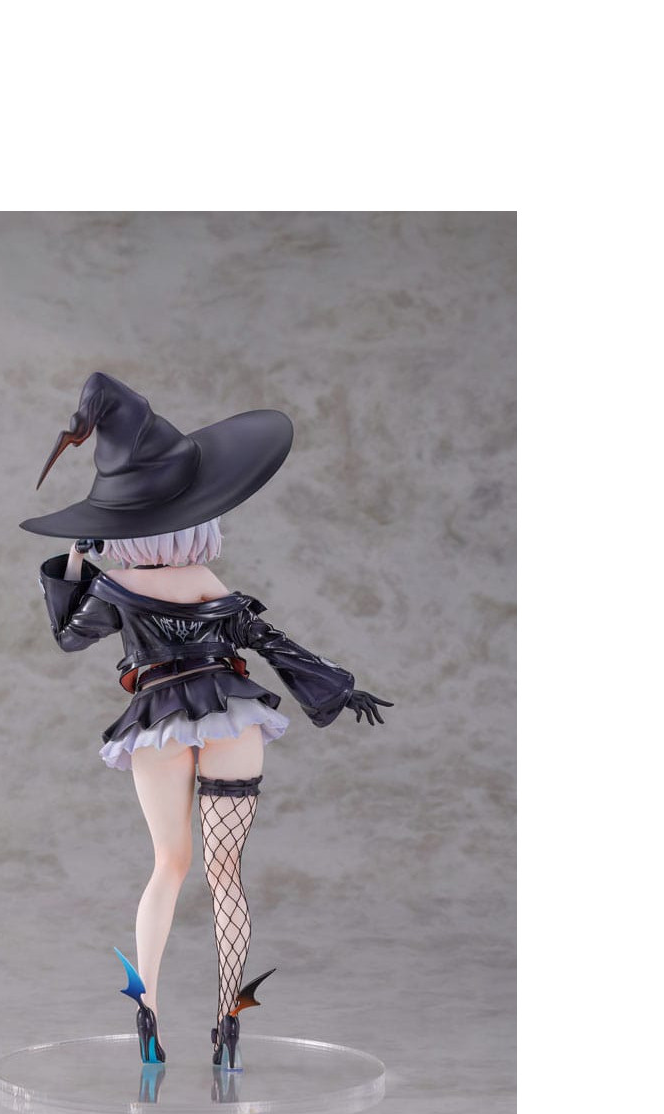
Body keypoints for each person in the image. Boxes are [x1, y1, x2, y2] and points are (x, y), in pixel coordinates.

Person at [20, 373, 393, 1069]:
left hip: (159, 719)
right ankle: (227, 1023)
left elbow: (68, 636)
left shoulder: (116, 586)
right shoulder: (214, 587)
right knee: (226, 872)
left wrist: (75, 557)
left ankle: (148, 1013)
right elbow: (274, 643)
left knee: (170, 864)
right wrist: (340, 689)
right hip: (231, 716)